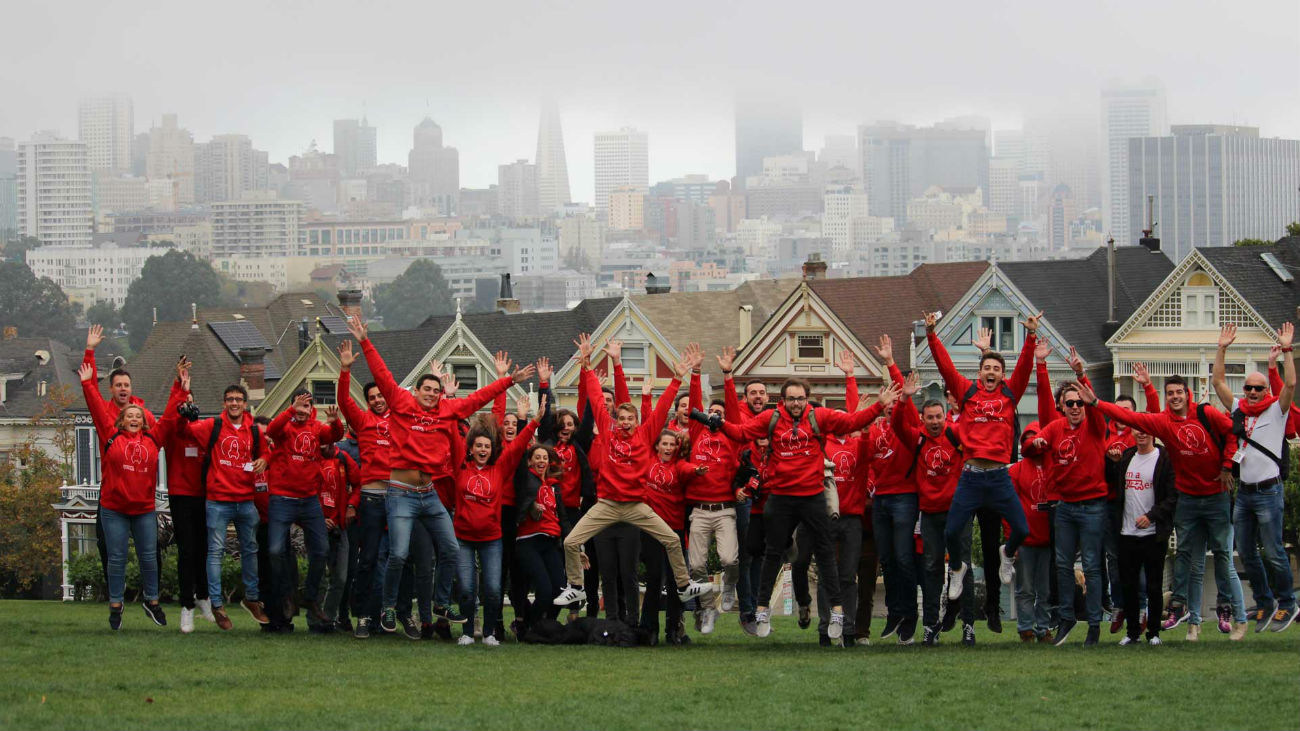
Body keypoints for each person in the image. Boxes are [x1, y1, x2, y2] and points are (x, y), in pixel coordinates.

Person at [347, 316, 531, 633]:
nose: (432, 394)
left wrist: (508, 382)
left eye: (436, 390)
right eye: (427, 389)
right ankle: (389, 608)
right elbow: (382, 374)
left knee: (450, 548)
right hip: (401, 493)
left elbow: (477, 399)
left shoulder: (446, 411)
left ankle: (441, 602)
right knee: (399, 554)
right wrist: (365, 340)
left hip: (429, 494)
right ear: (416, 391)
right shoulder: (401, 402)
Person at [718, 371, 899, 639]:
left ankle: (837, 611)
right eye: (791, 399)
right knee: (772, 552)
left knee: (826, 552)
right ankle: (762, 608)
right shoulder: (772, 418)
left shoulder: (818, 416)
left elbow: (852, 422)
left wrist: (879, 405)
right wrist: (718, 423)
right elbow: (741, 432)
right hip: (781, 497)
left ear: (807, 399)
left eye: (801, 399)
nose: (796, 403)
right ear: (782, 400)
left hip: (812, 495)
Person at [1076, 375, 1247, 641]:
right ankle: (1185, 615)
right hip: (1188, 498)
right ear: (1166, 396)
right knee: (1187, 558)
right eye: (1170, 393)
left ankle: (1240, 618)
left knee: (1224, 557)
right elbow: (1129, 417)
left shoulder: (1205, 412)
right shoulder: (1163, 422)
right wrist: (1096, 402)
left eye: (1179, 392)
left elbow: (1233, 432)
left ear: (1187, 394)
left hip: (1216, 495)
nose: (1175, 396)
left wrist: (1227, 466)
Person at [554, 335, 713, 610]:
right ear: (617, 419)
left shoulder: (645, 434)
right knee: (571, 542)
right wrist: (588, 365)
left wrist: (676, 380)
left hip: (636, 507)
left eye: (631, 418)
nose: (626, 422)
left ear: (637, 421)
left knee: (673, 540)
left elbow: (663, 407)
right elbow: (594, 395)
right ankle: (576, 588)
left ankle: (685, 586)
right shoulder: (607, 430)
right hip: (606, 505)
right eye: (622, 418)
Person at [924, 310, 1039, 609]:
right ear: (980, 372)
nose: (991, 372)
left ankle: (1006, 553)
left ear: (1002, 374)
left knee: (1022, 530)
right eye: (987, 367)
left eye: (996, 369)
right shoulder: (967, 391)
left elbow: (1026, 366)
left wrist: (1030, 336)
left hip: (1000, 477)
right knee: (951, 531)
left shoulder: (1010, 393)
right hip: (972, 475)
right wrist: (932, 334)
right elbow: (946, 367)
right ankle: (958, 568)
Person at [79, 357, 186, 629]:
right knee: (116, 558)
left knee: (149, 556)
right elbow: (96, 408)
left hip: (143, 510)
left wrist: (180, 387)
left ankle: (152, 602)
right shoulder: (110, 437)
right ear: (121, 420)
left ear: (144, 421)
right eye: (130, 416)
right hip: (114, 508)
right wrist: (87, 384)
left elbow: (172, 416)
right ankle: (116, 605)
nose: (135, 419)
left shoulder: (153, 439)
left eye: (139, 416)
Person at [1213, 323, 1297, 633]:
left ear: (1266, 391)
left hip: (1268, 492)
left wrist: (1286, 350)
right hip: (1245, 492)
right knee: (1246, 552)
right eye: (1247, 387)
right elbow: (1219, 381)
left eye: (1257, 388)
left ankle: (1287, 603)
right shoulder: (1239, 410)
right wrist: (1222, 348)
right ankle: (1264, 603)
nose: (1250, 392)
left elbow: (1290, 383)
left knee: (1274, 551)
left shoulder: (1277, 410)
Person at [182, 380, 271, 630]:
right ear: (224, 403)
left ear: (245, 404)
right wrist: (187, 407)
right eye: (230, 399)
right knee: (216, 552)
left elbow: (266, 453)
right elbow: (189, 429)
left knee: (251, 549)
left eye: (238, 400)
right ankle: (217, 604)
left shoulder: (254, 430)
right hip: (218, 500)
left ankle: (251, 599)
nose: (234, 403)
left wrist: (264, 460)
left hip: (245, 500)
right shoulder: (215, 425)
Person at [452, 397, 541, 645]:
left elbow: (519, 445)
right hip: (464, 538)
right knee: (468, 590)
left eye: (487, 447)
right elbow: (450, 427)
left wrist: (531, 421)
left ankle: (490, 632)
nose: (482, 450)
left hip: (492, 538)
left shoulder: (499, 469)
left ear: (493, 450)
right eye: (478, 446)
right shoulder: (461, 466)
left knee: (492, 589)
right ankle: (468, 632)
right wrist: (449, 399)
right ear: (470, 448)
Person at [1031, 375, 1109, 646]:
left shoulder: (1095, 426)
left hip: (1092, 505)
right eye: (1070, 403)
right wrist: (1036, 444)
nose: (1075, 407)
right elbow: (1030, 444)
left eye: (1079, 403)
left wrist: (1081, 375)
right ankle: (1066, 618)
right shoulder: (1055, 428)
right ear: (1062, 406)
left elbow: (1094, 402)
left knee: (1091, 566)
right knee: (1062, 564)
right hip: (1065, 505)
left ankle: (1094, 624)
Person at [895, 372, 972, 646]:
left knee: (964, 567)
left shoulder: (955, 434)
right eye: (930, 418)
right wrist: (904, 396)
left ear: (944, 416)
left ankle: (968, 625)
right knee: (931, 568)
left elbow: (975, 423)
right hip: (929, 513)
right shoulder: (917, 439)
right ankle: (930, 626)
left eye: (939, 416)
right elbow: (897, 422)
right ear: (923, 419)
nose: (936, 421)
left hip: (957, 512)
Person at [265, 390, 345, 627]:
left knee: (321, 550)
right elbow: (271, 430)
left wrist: (335, 422)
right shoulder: (285, 429)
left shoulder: (316, 429)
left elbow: (335, 436)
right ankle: (288, 594)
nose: (302, 411)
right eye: (298, 407)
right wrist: (291, 410)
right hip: (282, 498)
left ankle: (309, 598)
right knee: (275, 550)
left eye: (306, 407)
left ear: (311, 410)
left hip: (309, 500)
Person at [861, 336, 918, 644]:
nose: (889, 407)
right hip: (881, 499)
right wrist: (870, 486)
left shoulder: (906, 422)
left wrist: (890, 363)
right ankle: (895, 612)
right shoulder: (875, 430)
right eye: (886, 402)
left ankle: (909, 614)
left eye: (894, 402)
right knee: (888, 559)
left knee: (904, 557)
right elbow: (867, 461)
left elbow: (904, 397)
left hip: (905, 497)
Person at [684, 346, 744, 637]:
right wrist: (696, 372)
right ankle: (707, 607)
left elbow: (733, 409)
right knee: (695, 565)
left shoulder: (732, 437)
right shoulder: (697, 433)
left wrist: (728, 374)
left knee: (730, 559)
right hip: (700, 510)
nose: (716, 417)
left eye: (720, 414)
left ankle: (730, 584)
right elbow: (694, 403)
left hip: (724, 509)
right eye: (712, 413)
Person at [336, 340, 393, 639]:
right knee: (368, 558)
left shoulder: (400, 419)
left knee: (399, 558)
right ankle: (363, 616)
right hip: (372, 498)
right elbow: (344, 402)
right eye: (371, 397)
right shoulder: (363, 420)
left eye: (380, 395)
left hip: (398, 496)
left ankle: (392, 615)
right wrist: (345, 370)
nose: (377, 400)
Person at [1109, 424, 1177, 646]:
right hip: (1127, 533)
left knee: (1153, 586)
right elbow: (1114, 486)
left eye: (1145, 429)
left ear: (1153, 432)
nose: (1141, 433)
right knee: (1128, 585)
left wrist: (1152, 516)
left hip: (1152, 534)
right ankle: (1132, 632)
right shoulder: (1127, 457)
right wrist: (1111, 461)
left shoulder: (1164, 458)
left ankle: (1154, 633)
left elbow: (1171, 496)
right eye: (1137, 429)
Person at [642, 430, 707, 644]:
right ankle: (649, 630)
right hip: (651, 529)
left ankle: (673, 630)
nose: (668, 448)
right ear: (657, 446)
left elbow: (688, 469)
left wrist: (697, 471)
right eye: (665, 444)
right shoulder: (648, 461)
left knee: (675, 582)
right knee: (653, 578)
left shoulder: (678, 465)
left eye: (672, 444)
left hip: (674, 530)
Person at [166, 386, 212, 634]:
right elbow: (176, 423)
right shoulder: (174, 430)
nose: (189, 407)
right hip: (180, 494)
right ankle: (186, 605)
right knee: (186, 551)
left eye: (191, 403)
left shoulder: (203, 431)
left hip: (203, 496)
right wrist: (179, 395)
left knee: (204, 549)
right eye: (185, 404)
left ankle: (203, 595)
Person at [514, 443, 568, 635]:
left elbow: (562, 518)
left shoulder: (554, 487)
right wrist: (531, 507)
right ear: (530, 461)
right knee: (544, 590)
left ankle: (545, 625)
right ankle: (530, 626)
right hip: (528, 540)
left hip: (550, 541)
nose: (541, 461)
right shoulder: (526, 479)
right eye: (537, 457)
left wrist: (576, 547)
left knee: (560, 591)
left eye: (544, 458)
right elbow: (519, 459)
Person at [1009, 420, 1052, 642]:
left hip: (1047, 539)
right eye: (1028, 439)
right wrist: (1011, 541)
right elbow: (1009, 506)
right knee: (1025, 588)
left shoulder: (1052, 464)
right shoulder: (1016, 470)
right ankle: (1026, 627)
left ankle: (1043, 627)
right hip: (1025, 540)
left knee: (1044, 590)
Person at [317, 438, 360, 631]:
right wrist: (317, 517)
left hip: (339, 525)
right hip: (316, 526)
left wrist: (352, 506)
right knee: (317, 576)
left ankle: (328, 616)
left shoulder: (342, 458)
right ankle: (315, 620)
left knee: (341, 576)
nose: (323, 445)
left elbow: (359, 483)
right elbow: (303, 490)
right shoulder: (310, 459)